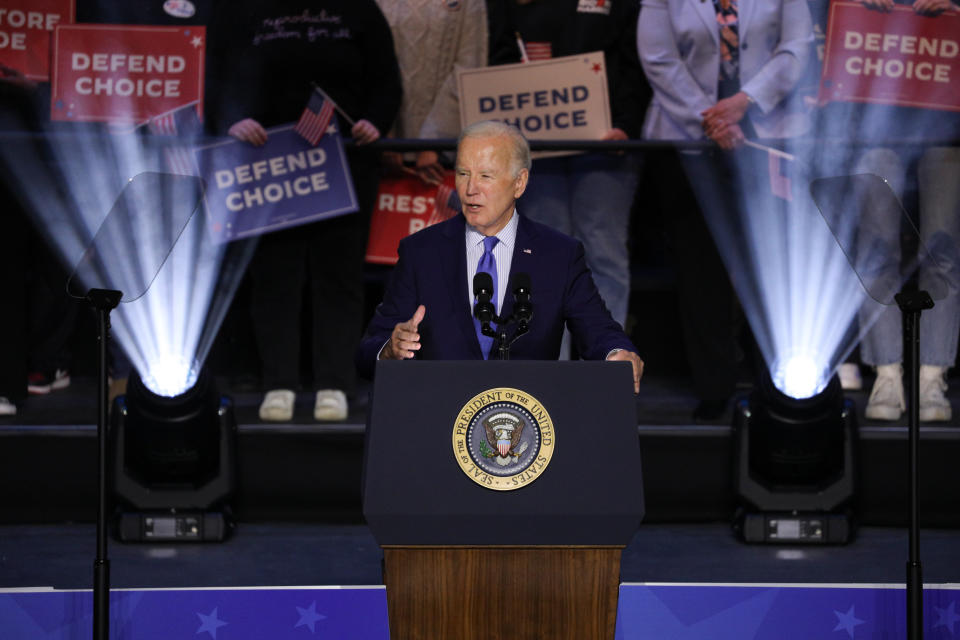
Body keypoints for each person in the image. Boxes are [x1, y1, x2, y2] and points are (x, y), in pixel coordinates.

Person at [212, 0, 402, 422]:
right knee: (275, 279)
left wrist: (376, 119)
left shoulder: (360, 10)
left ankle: (333, 384)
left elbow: (387, 79)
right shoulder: (243, 11)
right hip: (270, 164)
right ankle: (278, 383)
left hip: (345, 162)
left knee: (339, 278)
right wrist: (232, 119)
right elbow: (218, 74)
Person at [356, 121, 644, 391]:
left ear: (520, 182)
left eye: (485, 176)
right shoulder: (421, 252)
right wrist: (390, 350)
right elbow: (369, 352)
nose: (470, 189)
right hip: (440, 417)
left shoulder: (558, 254)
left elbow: (598, 329)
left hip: (530, 422)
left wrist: (617, 353)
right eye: (463, 173)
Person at [637, 0, 812, 419]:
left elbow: (796, 47)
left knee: (772, 267)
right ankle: (714, 387)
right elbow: (658, 58)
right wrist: (711, 117)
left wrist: (743, 103)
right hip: (686, 137)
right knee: (700, 269)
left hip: (768, 133)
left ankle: (780, 386)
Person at [504, 0, 650, 348]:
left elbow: (638, 62)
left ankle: (605, 370)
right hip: (538, 148)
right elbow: (499, 56)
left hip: (605, 146)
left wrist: (626, 126)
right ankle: (552, 376)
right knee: (543, 260)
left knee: (603, 254)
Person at [843, 0, 960, 422]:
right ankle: (886, 374)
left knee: (941, 251)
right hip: (875, 117)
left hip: (946, 119)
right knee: (875, 251)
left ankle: (933, 377)